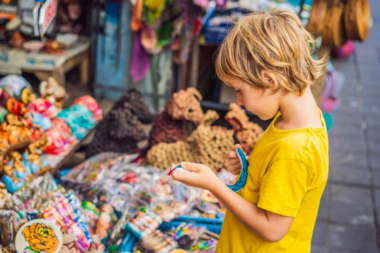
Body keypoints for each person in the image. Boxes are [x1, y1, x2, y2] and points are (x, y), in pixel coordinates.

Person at [171, 9, 329, 253]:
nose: (239, 101)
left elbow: (272, 229)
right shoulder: (295, 121)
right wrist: (249, 168)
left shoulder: (294, 150)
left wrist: (215, 186)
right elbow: (274, 178)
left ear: (269, 81)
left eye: (239, 90)